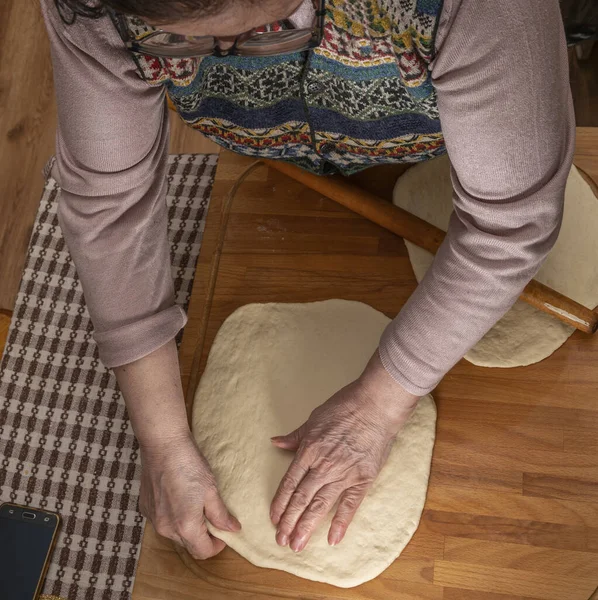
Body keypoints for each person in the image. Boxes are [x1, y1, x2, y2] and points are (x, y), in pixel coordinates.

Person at [41, 0, 574, 560]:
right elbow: (109, 207)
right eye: (180, 43)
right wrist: (164, 440)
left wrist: (379, 408)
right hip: (277, 179)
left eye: (252, 34)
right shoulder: (94, 6)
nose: (222, 59)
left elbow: (506, 223)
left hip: (443, 148)